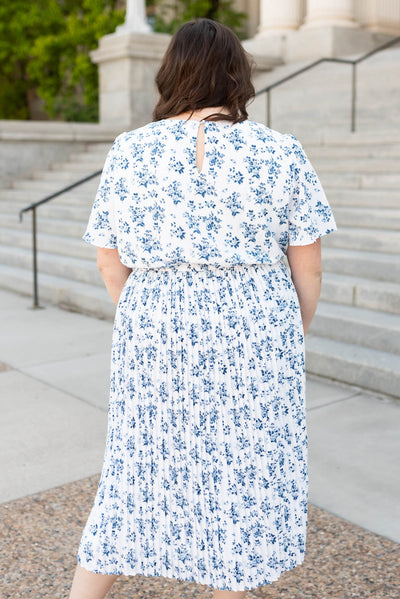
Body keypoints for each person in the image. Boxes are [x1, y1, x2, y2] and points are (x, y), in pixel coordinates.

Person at [68, 17, 337, 599]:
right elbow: (307, 265)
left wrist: (148, 314)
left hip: (155, 325)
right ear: (237, 74)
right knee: (240, 481)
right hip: (254, 328)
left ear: (171, 73)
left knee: (136, 472)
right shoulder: (279, 151)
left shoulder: (130, 150)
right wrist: (289, 329)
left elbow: (108, 258)